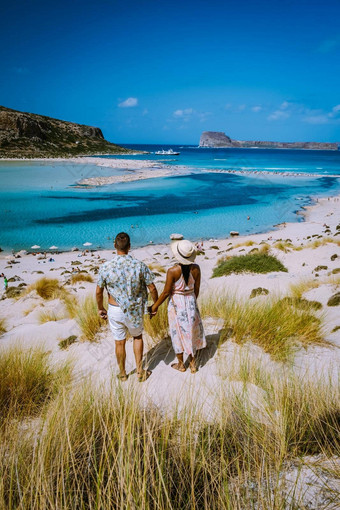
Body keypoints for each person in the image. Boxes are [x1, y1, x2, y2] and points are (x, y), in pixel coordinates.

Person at [96, 232, 158, 382]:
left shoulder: (106, 267)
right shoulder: (140, 265)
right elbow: (152, 288)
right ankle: (139, 371)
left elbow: (99, 291)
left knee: (119, 342)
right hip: (135, 309)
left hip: (115, 309)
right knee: (137, 337)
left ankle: (123, 374)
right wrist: (154, 306)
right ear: (129, 246)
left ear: (114, 246)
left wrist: (100, 308)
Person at [151, 239, 206, 373]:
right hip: (191, 300)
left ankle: (181, 364)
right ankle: (193, 364)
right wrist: (192, 302)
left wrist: (154, 307)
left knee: (178, 334)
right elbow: (196, 288)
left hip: (177, 303)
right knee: (191, 331)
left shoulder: (173, 271)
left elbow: (165, 292)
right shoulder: (196, 268)